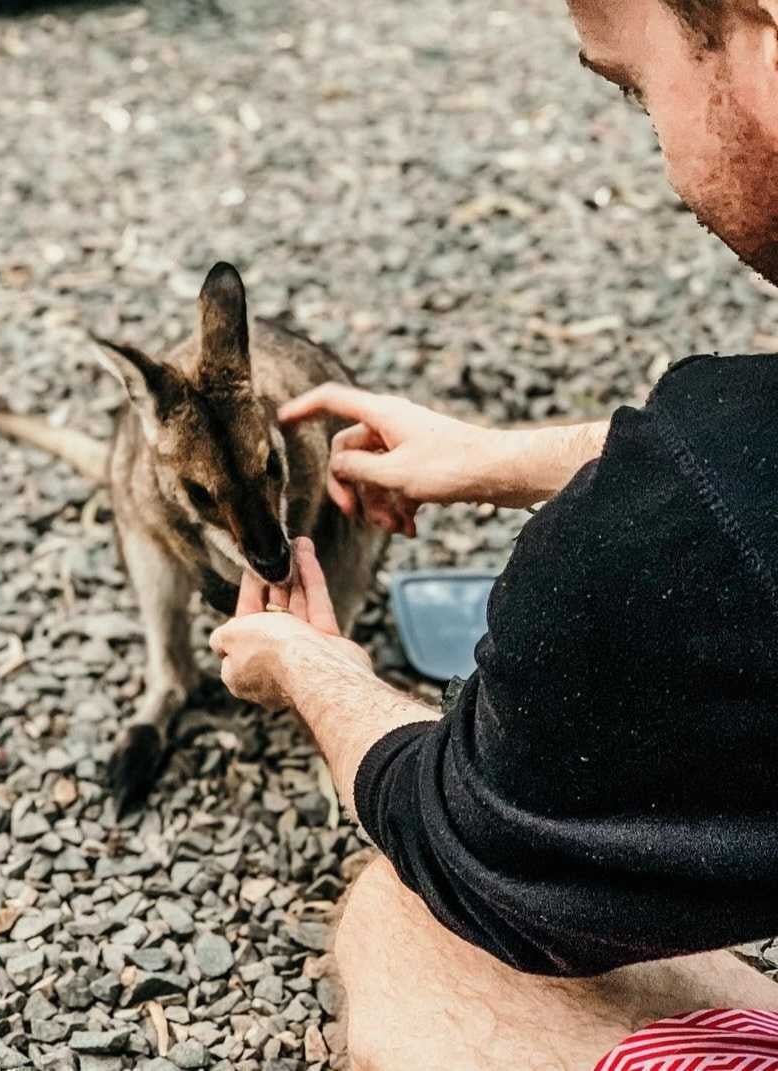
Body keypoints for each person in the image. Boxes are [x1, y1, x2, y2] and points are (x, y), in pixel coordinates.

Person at [209, 1, 778, 1067]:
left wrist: (310, 667)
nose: (662, 159)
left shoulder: (678, 553)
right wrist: (497, 459)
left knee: (413, 931)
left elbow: (473, 847)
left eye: (632, 83)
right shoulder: (721, 496)